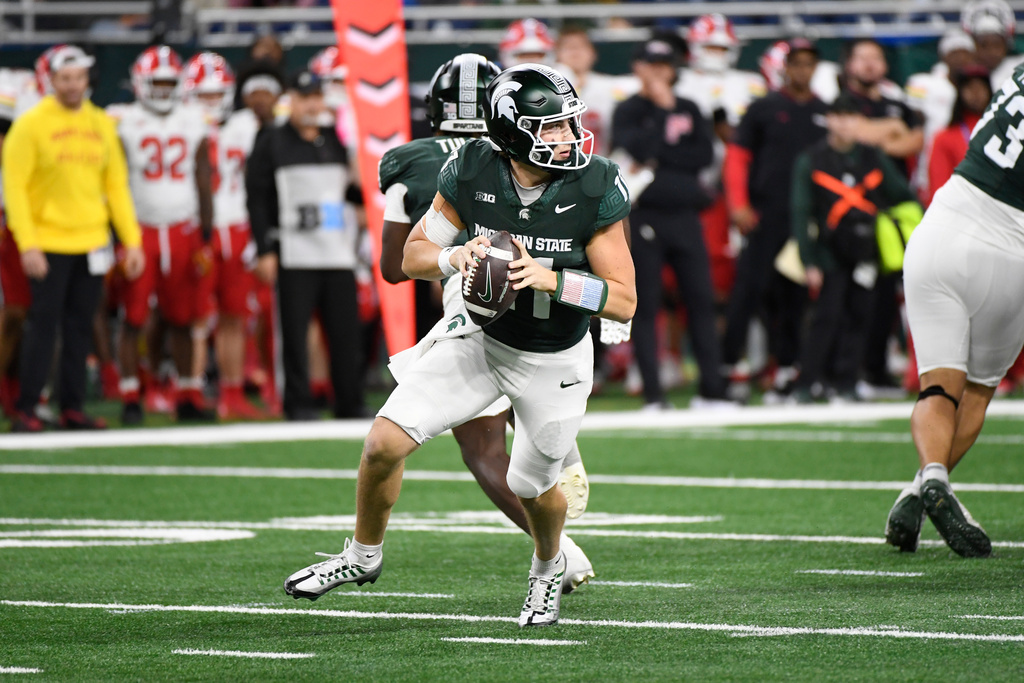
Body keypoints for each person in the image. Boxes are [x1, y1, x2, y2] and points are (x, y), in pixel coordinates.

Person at [284, 63, 635, 628]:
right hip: (479, 339)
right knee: (382, 445)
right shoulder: (472, 167)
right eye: (550, 128)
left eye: (569, 125)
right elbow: (411, 257)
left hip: (554, 356)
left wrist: (550, 277)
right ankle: (361, 556)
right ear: (512, 131)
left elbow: (623, 301)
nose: (567, 138)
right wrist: (458, 256)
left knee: (532, 485)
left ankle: (548, 567)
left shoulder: (594, 182)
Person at [377, 52, 594, 579]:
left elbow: (394, 267)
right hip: (549, 304)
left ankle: (563, 555)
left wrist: (453, 258)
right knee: (524, 408)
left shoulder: (417, 160)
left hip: (473, 307)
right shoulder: (523, 158)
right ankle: (555, 450)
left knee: (481, 448)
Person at [882, 61, 1024, 558]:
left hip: (943, 226)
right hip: (1012, 251)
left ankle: (928, 481)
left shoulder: (1019, 74)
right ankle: (922, 488)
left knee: (939, 385)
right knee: (978, 393)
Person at [2, 45, 144, 432]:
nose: (72, 86)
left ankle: (73, 406)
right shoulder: (30, 125)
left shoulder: (100, 123)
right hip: (48, 242)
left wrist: (132, 241)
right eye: (65, 79)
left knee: (82, 326)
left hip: (92, 240)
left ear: (87, 79)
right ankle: (28, 406)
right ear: (51, 81)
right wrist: (28, 243)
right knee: (42, 327)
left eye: (78, 78)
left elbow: (116, 187)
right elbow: (14, 188)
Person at [612, 38, 726, 410]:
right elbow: (640, 150)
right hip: (644, 216)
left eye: (667, 63)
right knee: (645, 305)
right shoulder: (629, 108)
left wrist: (664, 154)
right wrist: (662, 112)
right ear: (638, 67)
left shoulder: (691, 107)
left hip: (685, 216)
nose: (661, 70)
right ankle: (653, 394)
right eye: (652, 63)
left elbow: (703, 155)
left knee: (701, 300)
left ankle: (712, 390)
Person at [246, 69, 366, 421]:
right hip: (294, 251)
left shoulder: (334, 139)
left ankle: (349, 401)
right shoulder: (271, 140)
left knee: (346, 333)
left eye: (316, 97)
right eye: (304, 98)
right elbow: (257, 198)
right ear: (292, 102)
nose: (312, 104)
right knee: (293, 334)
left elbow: (352, 192)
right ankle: (297, 403)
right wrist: (265, 248)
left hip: (337, 252)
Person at [789, 94, 917, 403]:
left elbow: (903, 195)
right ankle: (809, 382)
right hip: (829, 251)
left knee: (862, 317)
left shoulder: (873, 157)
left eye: (851, 117)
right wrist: (809, 260)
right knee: (826, 317)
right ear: (828, 120)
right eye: (839, 116)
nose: (845, 124)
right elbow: (800, 211)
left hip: (868, 251)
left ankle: (847, 382)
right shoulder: (812, 159)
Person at [113, 46, 216, 426]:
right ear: (140, 83)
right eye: (155, 82)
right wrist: (119, 239)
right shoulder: (123, 122)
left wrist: (205, 236)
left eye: (168, 83)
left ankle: (188, 392)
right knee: (134, 316)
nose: (161, 90)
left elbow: (204, 180)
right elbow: (116, 182)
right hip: (140, 230)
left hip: (183, 229)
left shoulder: (193, 120)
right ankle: (129, 394)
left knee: (185, 317)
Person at [721, 39, 828, 401]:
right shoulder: (763, 108)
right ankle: (728, 366)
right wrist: (738, 204)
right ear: (785, 68)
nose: (803, 70)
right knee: (748, 291)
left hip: (803, 220)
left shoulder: (823, 112)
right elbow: (737, 156)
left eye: (809, 63)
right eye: (796, 63)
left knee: (794, 296)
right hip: (764, 215)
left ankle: (787, 367)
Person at [184, 51, 269, 420]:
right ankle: (188, 390)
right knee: (196, 317)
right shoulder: (180, 126)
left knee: (235, 315)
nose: (211, 102)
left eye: (216, 93)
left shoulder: (245, 126)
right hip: (197, 229)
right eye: (203, 94)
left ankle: (232, 392)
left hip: (236, 226)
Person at [841, 38, 925, 398]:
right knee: (854, 294)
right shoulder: (842, 98)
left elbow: (914, 140)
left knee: (892, 295)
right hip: (852, 205)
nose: (870, 64)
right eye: (863, 58)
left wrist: (880, 132)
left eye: (876, 57)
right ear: (849, 64)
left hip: (893, 212)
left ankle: (878, 370)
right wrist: (888, 130)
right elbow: (855, 133)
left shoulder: (898, 102)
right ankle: (851, 371)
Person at [905, 30, 978, 201]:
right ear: (943, 56)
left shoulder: (978, 88)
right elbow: (911, 121)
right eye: (954, 53)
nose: (961, 59)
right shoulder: (923, 83)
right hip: (931, 163)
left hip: (966, 160)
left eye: (965, 53)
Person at [554, 26, 638, 157]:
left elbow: (641, 84)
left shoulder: (608, 86)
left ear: (593, 54)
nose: (575, 52)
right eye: (568, 47)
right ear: (556, 55)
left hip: (601, 162)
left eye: (580, 47)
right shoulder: (546, 88)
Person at [961, 0, 1023, 89]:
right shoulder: (962, 74)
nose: (991, 52)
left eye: (996, 45)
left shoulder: (1020, 69)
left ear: (1006, 44)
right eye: (983, 45)